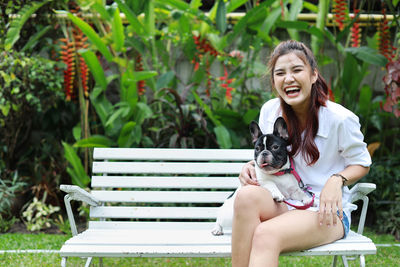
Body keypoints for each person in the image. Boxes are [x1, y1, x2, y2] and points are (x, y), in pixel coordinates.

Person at [231, 40, 372, 267]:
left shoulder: (340, 119)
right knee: (246, 196)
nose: (288, 78)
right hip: (285, 200)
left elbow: (362, 163)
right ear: (274, 81)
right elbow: (271, 152)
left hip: (326, 212)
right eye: (280, 73)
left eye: (297, 70)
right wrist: (253, 165)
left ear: (314, 74)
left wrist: (337, 180)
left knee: (266, 234)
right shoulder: (270, 110)